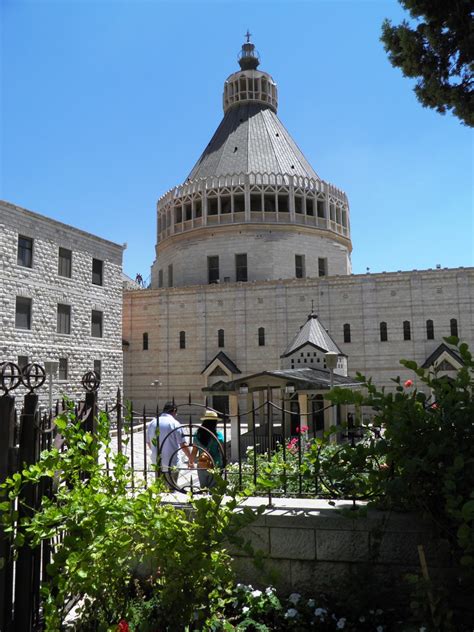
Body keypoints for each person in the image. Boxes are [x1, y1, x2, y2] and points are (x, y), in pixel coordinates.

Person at [146, 402, 192, 489]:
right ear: (174, 410)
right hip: (171, 461)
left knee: (159, 489)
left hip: (157, 461)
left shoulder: (153, 423)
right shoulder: (174, 423)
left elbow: (149, 443)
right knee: (171, 489)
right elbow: (183, 444)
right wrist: (191, 459)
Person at [191, 410, 224, 489]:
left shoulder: (197, 435)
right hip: (215, 464)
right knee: (214, 489)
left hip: (202, 464)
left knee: (203, 488)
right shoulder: (218, 435)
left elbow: (194, 451)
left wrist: (190, 462)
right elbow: (222, 451)